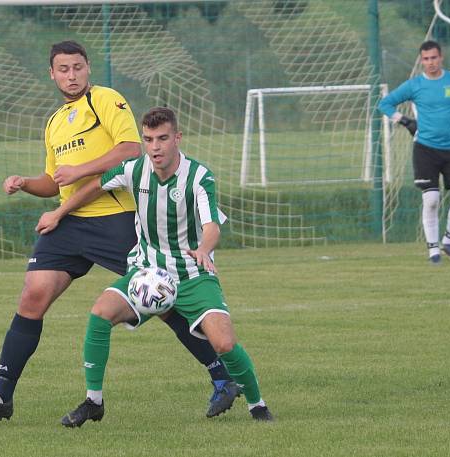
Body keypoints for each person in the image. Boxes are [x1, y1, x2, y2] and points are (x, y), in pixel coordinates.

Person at [0, 42, 238, 425]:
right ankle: (0, 396)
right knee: (32, 296)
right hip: (69, 221)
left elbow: (128, 149)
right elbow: (55, 182)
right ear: (52, 74)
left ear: (88, 68)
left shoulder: (106, 100)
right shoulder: (55, 122)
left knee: (162, 294)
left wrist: (79, 172)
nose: (71, 75)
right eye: (63, 69)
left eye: (77, 67)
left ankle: (222, 377)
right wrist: (26, 183)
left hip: (114, 216)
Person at [36, 107, 274, 426]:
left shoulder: (199, 177)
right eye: (148, 139)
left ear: (177, 138)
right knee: (100, 313)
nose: (156, 147)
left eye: (163, 138)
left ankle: (258, 407)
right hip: (147, 272)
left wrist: (204, 249)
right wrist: (59, 212)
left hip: (193, 274)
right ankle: (94, 402)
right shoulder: (134, 170)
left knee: (225, 343)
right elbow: (95, 186)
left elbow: (211, 225)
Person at [379, 40, 450, 264]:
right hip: (425, 150)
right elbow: (385, 104)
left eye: (434, 58)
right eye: (426, 58)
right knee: (431, 199)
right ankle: (433, 251)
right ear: (422, 60)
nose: (430, 62)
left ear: (441, 58)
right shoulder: (414, 85)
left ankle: (448, 241)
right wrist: (404, 121)